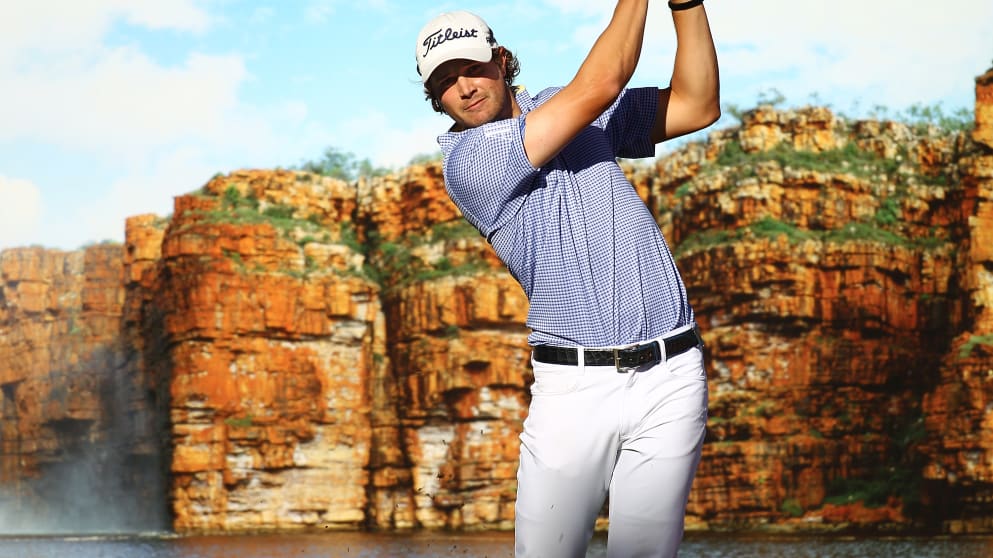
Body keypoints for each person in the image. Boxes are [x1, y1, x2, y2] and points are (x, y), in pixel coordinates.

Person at [414, 1, 719, 556]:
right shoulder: (467, 161)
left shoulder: (567, 106)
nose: (464, 88)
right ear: (436, 98)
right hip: (574, 392)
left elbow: (697, 105)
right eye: (445, 82)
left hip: (671, 376)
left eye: (473, 68)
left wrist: (685, 6)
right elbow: (601, 84)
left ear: (501, 60)